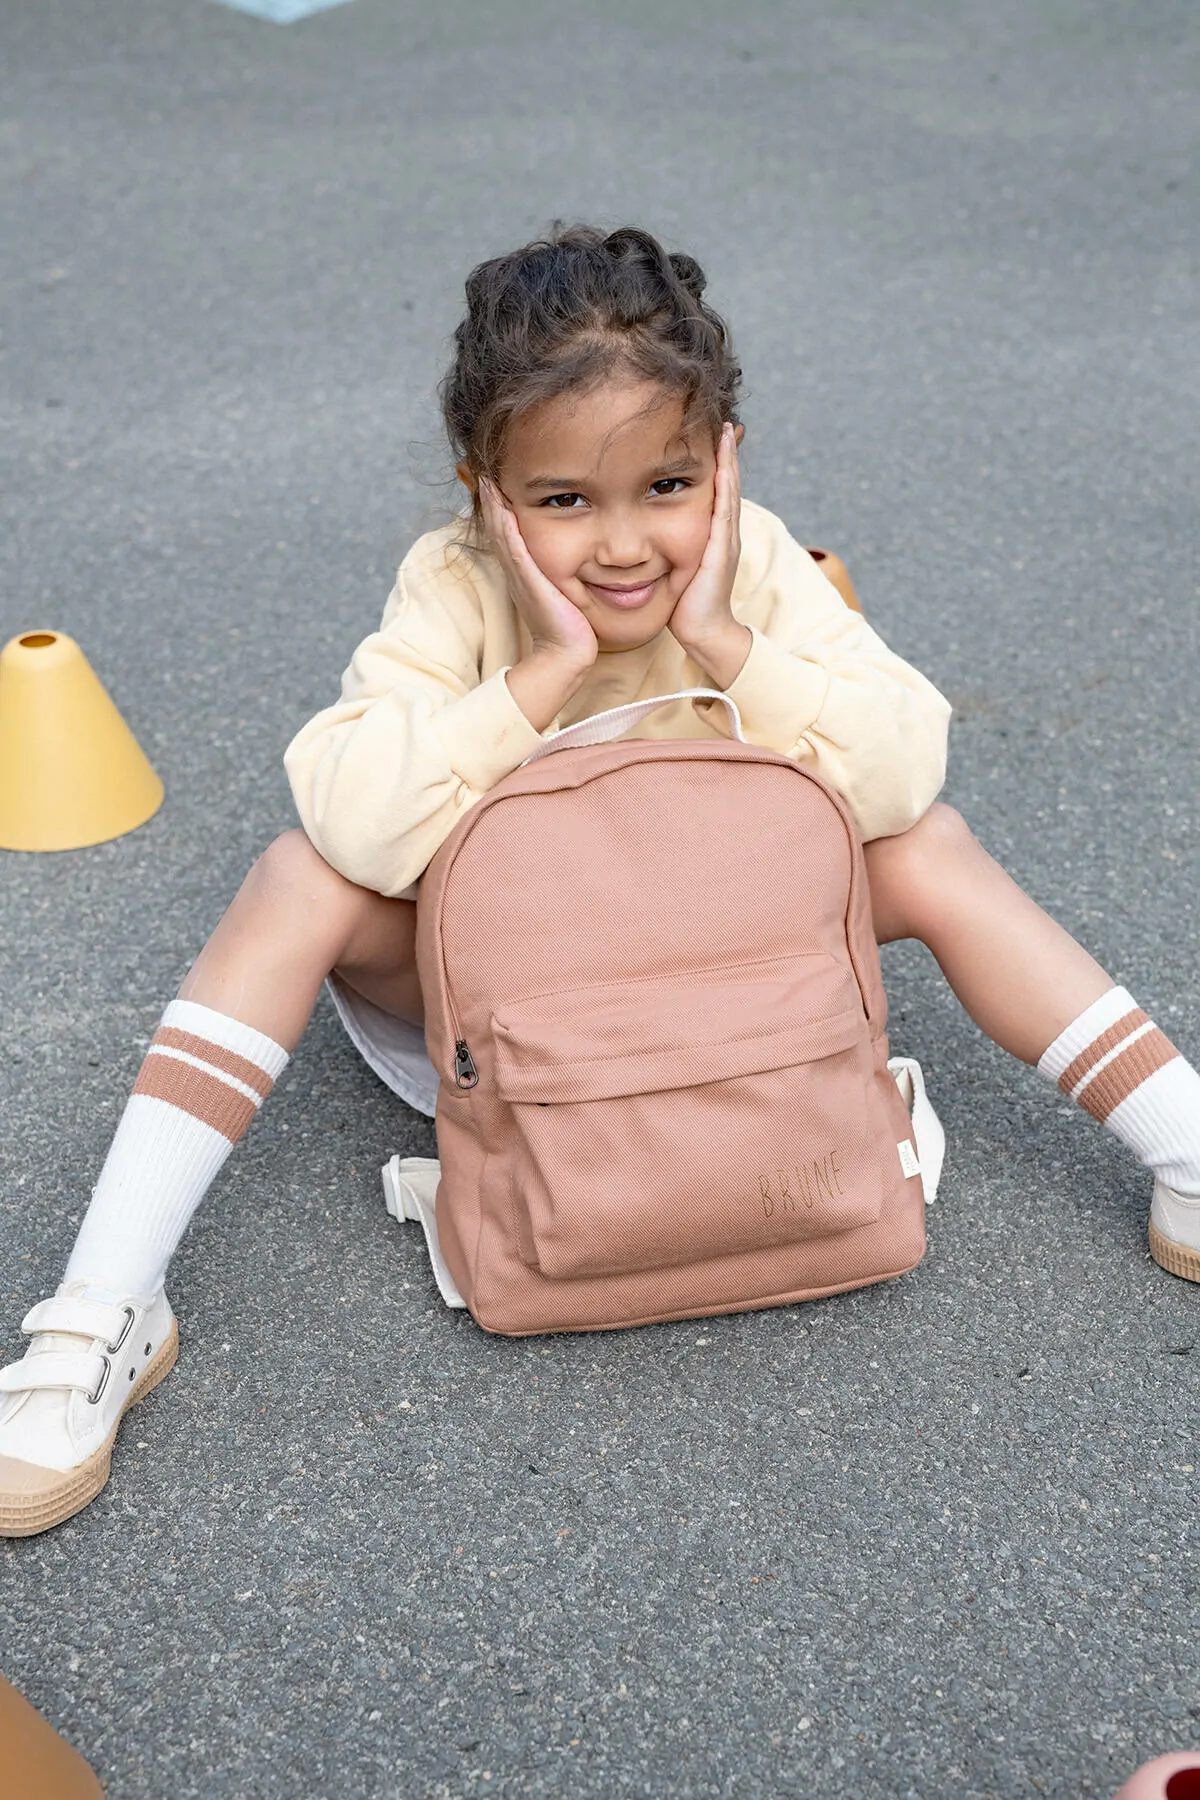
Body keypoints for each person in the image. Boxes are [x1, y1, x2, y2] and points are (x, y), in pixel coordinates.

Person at [2, 223, 1196, 1539]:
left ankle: (1185, 1151)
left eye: (669, 486)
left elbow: (906, 765)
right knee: (299, 878)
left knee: (927, 845)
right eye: (564, 500)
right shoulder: (452, 588)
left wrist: (729, 637)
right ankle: (107, 1310)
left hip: (731, 1002)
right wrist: (543, 674)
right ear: (483, 493)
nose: (623, 546)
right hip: (515, 1020)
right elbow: (354, 820)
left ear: (727, 463)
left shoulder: (754, 571)